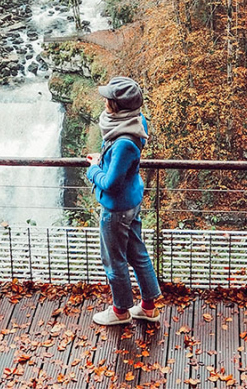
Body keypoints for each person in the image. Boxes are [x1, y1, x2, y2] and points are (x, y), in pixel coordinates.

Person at [86, 76, 161, 325]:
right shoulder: (137, 122)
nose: (105, 101)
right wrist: (104, 159)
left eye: (109, 99)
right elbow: (119, 167)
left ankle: (120, 311)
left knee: (114, 258)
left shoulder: (124, 142)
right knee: (136, 251)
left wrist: (94, 168)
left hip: (116, 208)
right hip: (131, 200)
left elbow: (110, 183)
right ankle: (148, 307)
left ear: (117, 106)